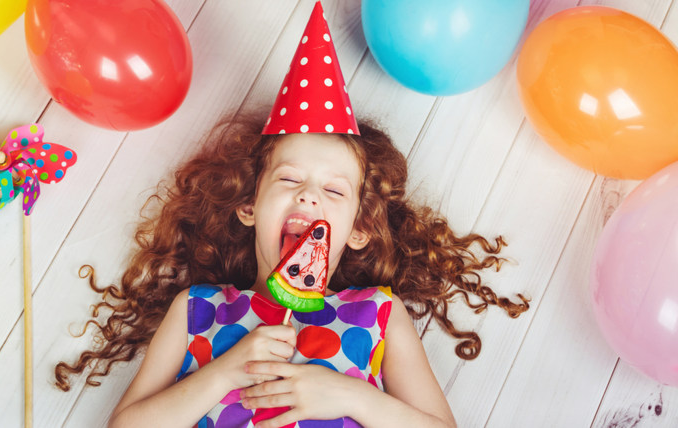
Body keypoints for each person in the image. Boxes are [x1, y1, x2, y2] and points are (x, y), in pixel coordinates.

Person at [54, 3, 529, 427]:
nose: (307, 197)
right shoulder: (196, 310)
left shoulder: (381, 314)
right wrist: (223, 373)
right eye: (288, 180)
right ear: (247, 206)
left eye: (333, 189)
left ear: (360, 230)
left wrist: (350, 396)